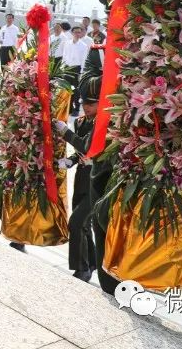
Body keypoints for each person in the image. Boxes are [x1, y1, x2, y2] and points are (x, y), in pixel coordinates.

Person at [55, 76, 100, 282]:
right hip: (82, 178)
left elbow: (87, 147)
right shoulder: (83, 121)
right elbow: (79, 152)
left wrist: (66, 133)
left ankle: (82, 268)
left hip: (97, 179)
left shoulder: (103, 124)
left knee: (76, 222)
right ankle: (91, 262)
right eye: (85, 103)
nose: (87, 107)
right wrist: (71, 161)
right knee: (83, 224)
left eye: (91, 104)